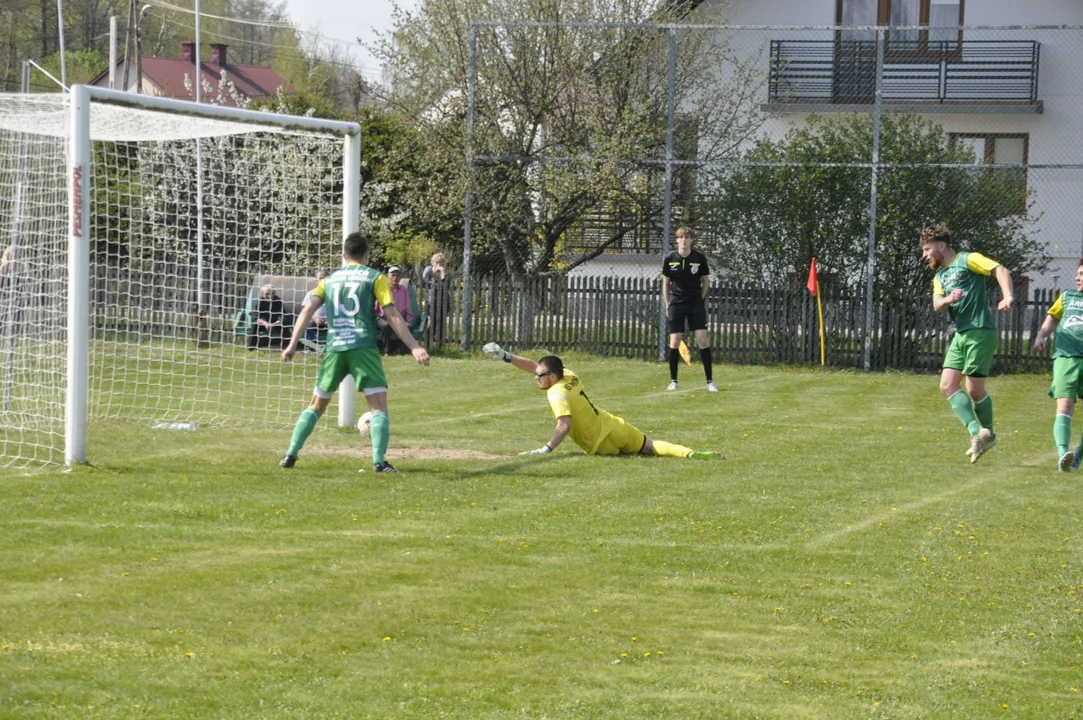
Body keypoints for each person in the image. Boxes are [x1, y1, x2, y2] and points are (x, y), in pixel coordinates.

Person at [280, 232, 430, 473]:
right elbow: (391, 314)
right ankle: (379, 462)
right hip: (362, 347)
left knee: (316, 405)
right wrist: (414, 346)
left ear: (343, 254)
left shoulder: (328, 280)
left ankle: (290, 454)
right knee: (378, 406)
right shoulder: (375, 277)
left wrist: (291, 344)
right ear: (367, 254)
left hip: (335, 347)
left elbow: (308, 309)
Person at [482, 342, 720, 460]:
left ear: (552, 377)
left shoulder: (556, 393)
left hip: (600, 444)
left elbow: (564, 425)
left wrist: (545, 449)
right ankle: (688, 453)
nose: (536, 377)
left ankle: (689, 454)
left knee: (638, 450)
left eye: (540, 376)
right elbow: (536, 365)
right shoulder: (570, 375)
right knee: (650, 445)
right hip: (613, 424)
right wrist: (506, 356)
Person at [921, 223, 1014, 464]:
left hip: (980, 331)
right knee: (947, 385)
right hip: (961, 335)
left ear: (942, 246)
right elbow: (936, 303)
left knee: (974, 389)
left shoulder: (968, 260)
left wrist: (1008, 296)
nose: (925, 255)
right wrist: (949, 298)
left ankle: (989, 435)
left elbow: (1000, 270)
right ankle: (977, 432)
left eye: (927, 249)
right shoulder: (939, 276)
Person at [1033, 259, 1083, 471]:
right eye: (1078, 273)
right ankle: (1063, 455)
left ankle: (1078, 455)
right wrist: (1041, 335)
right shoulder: (1067, 297)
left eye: (1082, 274)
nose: (1077, 277)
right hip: (1066, 357)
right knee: (1064, 406)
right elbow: (1052, 318)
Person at [662, 227, 717, 392]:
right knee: (675, 340)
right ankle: (673, 381)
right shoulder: (670, 258)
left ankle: (710, 382)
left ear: (692, 240)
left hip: (695, 304)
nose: (684, 240)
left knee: (702, 340)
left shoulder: (699, 258)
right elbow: (665, 283)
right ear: (677, 240)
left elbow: (706, 281)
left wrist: (700, 298)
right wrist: (667, 304)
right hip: (677, 304)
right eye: (681, 238)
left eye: (687, 237)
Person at [375, 265, 414, 355]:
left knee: (408, 327)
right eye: (393, 275)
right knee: (386, 326)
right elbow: (376, 306)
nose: (395, 278)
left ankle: (402, 351)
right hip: (383, 317)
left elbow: (408, 306)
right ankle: (386, 351)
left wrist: (408, 320)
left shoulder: (404, 290)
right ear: (387, 277)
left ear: (400, 277)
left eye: (397, 275)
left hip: (399, 317)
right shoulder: (383, 289)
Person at [423, 252, 452, 349]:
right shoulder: (428, 270)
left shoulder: (446, 272)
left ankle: (439, 346)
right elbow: (425, 281)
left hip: (444, 300)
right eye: (436, 262)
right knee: (434, 322)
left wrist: (442, 273)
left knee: (442, 323)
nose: (438, 265)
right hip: (433, 300)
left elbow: (446, 284)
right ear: (432, 263)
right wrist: (435, 274)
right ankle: (427, 343)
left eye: (441, 263)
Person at [247, 284, 285, 350]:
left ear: (275, 293)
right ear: (262, 294)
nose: (270, 296)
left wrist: (273, 324)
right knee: (255, 325)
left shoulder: (279, 301)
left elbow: (282, 317)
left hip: (275, 323)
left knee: (286, 326)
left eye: (272, 293)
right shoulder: (259, 302)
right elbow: (255, 316)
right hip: (263, 324)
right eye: (267, 294)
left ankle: (286, 347)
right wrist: (265, 323)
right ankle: (251, 347)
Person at [302, 270, 329, 347]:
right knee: (309, 324)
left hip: (329, 320)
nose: (322, 280)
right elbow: (304, 309)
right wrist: (315, 318)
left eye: (324, 278)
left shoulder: (333, 293)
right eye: (320, 278)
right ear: (316, 280)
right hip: (314, 319)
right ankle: (311, 346)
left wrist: (329, 319)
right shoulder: (311, 293)